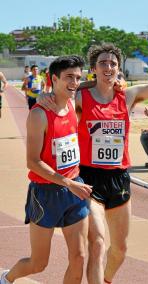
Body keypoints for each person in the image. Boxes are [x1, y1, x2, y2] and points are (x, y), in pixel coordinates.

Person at [37, 32, 148, 284]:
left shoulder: (129, 95)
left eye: (113, 63)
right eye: (103, 62)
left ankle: (106, 280)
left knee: (120, 250)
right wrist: (43, 96)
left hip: (119, 179)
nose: (109, 67)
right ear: (93, 69)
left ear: (119, 68)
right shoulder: (81, 97)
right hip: (89, 178)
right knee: (98, 242)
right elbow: (59, 92)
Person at [0, 56, 92, 284]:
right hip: (46, 194)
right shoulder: (39, 114)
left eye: (78, 78)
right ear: (53, 79)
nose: (75, 82)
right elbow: (32, 162)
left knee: (79, 257)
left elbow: (96, 83)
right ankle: (6, 278)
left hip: (75, 190)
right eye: (69, 77)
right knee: (38, 264)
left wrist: (117, 81)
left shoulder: (73, 103)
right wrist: (68, 183)